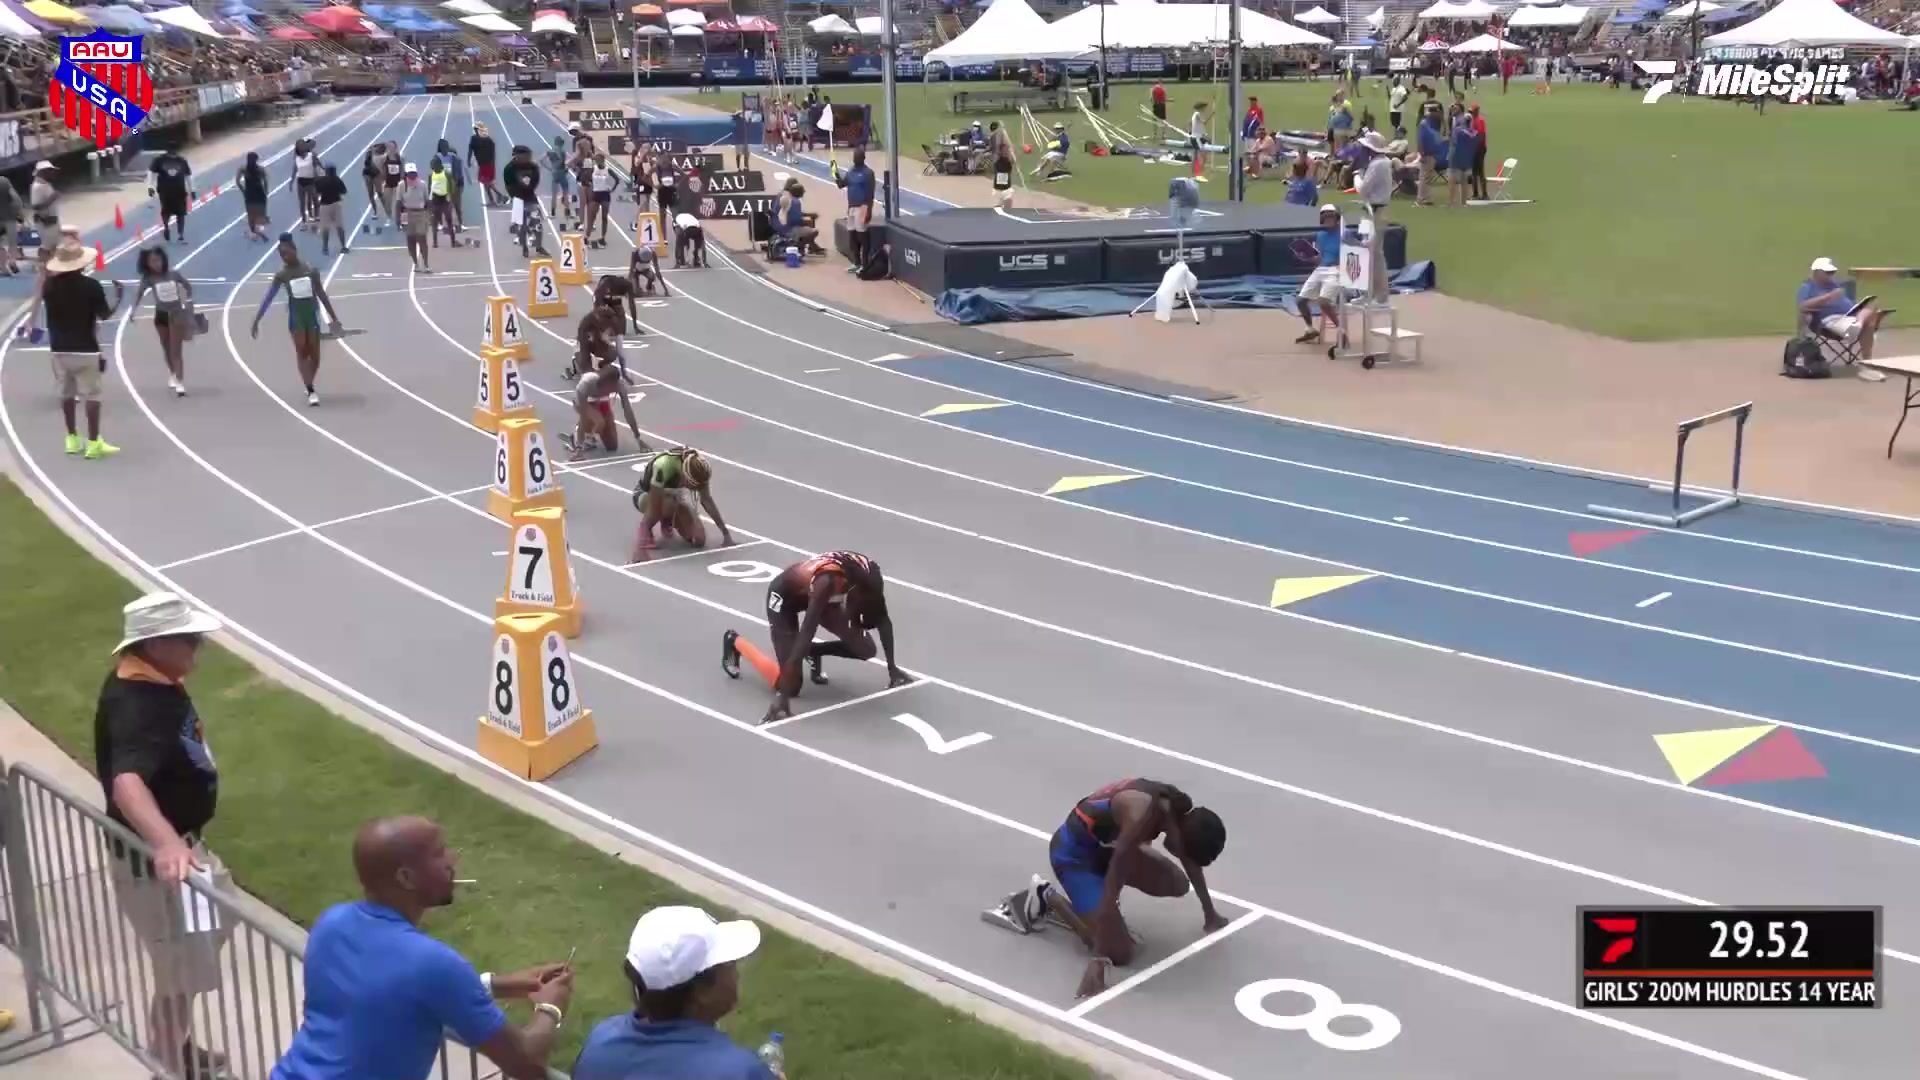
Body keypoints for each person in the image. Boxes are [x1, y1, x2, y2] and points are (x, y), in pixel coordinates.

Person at [269, 817, 574, 1080]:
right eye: (439, 854)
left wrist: (497, 985)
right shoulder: (433, 964)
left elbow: (384, 991)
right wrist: (550, 1007)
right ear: (406, 877)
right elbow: (526, 1064)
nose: (453, 861)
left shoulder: (331, 923)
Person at [96, 592, 231, 1079]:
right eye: (190, 639)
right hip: (160, 867)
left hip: (186, 851)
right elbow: (127, 783)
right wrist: (167, 843)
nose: (200, 647)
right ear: (155, 643)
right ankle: (168, 1066)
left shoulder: (149, 678)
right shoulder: (139, 703)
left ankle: (176, 1046)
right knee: (179, 975)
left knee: (194, 957)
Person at [987, 779, 1227, 1000]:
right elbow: (1116, 872)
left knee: (1177, 883)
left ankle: (1098, 913)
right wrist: (1099, 958)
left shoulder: (1175, 808)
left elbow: (1189, 863)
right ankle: (1046, 897)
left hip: (1107, 852)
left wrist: (1210, 914)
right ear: (1181, 835)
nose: (1185, 859)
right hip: (1074, 858)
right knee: (1121, 954)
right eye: (1185, 852)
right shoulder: (1141, 813)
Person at [570, 907, 776, 1080]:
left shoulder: (601, 1040)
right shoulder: (741, 1071)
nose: (736, 972)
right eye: (729, 964)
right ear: (702, 991)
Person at [720, 550, 911, 725]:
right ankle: (735, 641)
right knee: (791, 685)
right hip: (786, 598)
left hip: (825, 597)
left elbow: (883, 620)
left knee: (865, 649)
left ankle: (814, 653)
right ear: (851, 590)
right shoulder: (826, 583)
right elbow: (807, 631)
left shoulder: (871, 576)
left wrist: (892, 668)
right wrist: (783, 695)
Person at [42, 228, 123, 458]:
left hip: (58, 347)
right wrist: (118, 297)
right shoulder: (91, 286)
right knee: (92, 396)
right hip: (85, 348)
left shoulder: (49, 287)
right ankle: (94, 442)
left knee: (66, 394)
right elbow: (104, 315)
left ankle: (71, 438)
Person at [251, 234, 345, 407]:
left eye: (287, 253)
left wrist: (334, 317)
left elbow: (321, 294)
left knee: (315, 356)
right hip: (297, 320)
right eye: (281, 255)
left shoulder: (310, 270)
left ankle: (308, 381)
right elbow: (269, 297)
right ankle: (310, 389)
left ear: (295, 250)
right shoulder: (282, 275)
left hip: (312, 317)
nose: (284, 257)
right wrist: (257, 319)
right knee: (302, 352)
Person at [630, 446, 734, 560]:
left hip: (674, 497)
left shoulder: (699, 467)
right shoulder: (663, 466)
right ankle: (655, 526)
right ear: (686, 477)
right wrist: (640, 549)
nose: (696, 489)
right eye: (694, 486)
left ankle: (669, 518)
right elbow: (654, 508)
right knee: (668, 504)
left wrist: (726, 534)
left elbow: (707, 500)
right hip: (645, 494)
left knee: (698, 539)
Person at [1800, 257, 1891, 378]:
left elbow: (1850, 282)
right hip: (1831, 321)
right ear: (1817, 272)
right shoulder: (1808, 286)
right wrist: (1828, 297)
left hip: (1851, 316)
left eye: (1832, 272)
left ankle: (1859, 327)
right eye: (1827, 272)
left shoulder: (1834, 284)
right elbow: (1803, 306)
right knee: (1868, 322)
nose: (1831, 275)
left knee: (1867, 313)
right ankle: (1866, 364)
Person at [132, 246, 193, 397]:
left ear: (163, 260)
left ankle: (180, 381)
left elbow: (188, 286)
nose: (156, 264)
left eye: (158, 260)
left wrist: (188, 302)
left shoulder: (174, 274)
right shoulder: (149, 279)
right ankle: (172, 373)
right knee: (166, 348)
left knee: (176, 350)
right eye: (152, 261)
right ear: (147, 264)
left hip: (176, 315)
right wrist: (133, 311)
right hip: (160, 316)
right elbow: (139, 294)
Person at [1294, 204, 1343, 345]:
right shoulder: (1320, 235)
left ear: (1337, 218)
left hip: (1337, 270)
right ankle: (1310, 330)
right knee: (1300, 301)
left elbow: (1353, 255)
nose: (1328, 220)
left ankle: (1342, 332)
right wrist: (1305, 257)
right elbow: (1319, 258)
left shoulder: (1344, 234)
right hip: (1321, 269)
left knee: (1323, 302)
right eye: (1326, 218)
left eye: (1331, 217)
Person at [503, 145, 549, 258]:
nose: (529, 157)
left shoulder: (533, 167)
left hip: (530, 198)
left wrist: (529, 190)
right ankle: (524, 247)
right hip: (518, 199)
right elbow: (508, 185)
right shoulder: (509, 169)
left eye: (529, 155)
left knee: (537, 224)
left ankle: (539, 246)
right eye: (526, 155)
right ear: (517, 156)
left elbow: (535, 182)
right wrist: (515, 197)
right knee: (522, 226)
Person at [837, 149, 874, 273]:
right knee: (852, 236)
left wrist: (869, 210)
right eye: (854, 156)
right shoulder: (851, 171)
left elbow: (870, 194)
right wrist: (835, 174)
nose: (854, 158)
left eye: (857, 156)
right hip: (851, 207)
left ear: (863, 158)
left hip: (862, 207)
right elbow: (842, 184)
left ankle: (865, 264)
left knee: (862, 236)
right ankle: (856, 263)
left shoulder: (868, 173)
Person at [148, 147, 194, 244]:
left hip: (175, 191)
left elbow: (188, 175)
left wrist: (192, 190)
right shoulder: (161, 160)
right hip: (169, 191)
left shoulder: (180, 160)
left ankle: (175, 231)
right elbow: (151, 173)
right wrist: (150, 187)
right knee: (173, 213)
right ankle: (171, 230)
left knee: (175, 213)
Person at [397, 162, 432, 274]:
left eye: (414, 173)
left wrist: (429, 215)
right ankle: (416, 263)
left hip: (420, 213)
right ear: (406, 174)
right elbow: (398, 202)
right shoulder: (401, 186)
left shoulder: (422, 184)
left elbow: (427, 201)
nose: (412, 176)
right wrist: (398, 218)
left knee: (422, 237)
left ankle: (426, 264)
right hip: (407, 214)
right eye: (410, 174)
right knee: (410, 239)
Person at [315, 162, 350, 256]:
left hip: (324, 205)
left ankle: (325, 248)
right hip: (336, 204)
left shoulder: (321, 180)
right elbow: (344, 191)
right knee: (340, 227)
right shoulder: (337, 179)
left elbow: (317, 192)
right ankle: (343, 246)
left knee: (325, 228)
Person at [237, 151, 272, 243]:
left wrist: (243, 191)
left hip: (249, 194)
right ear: (256, 160)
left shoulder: (243, 169)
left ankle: (255, 231)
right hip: (259, 193)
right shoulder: (260, 169)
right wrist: (266, 191)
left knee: (251, 216)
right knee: (260, 214)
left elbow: (237, 181)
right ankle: (259, 229)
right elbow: (265, 181)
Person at [586, 151, 618, 248]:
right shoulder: (593, 169)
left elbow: (617, 180)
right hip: (595, 194)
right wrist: (590, 185)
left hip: (605, 195)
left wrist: (612, 189)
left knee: (604, 217)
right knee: (592, 216)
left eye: (598, 160)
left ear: (603, 160)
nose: (597, 162)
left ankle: (603, 237)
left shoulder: (608, 170)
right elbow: (584, 178)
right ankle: (586, 236)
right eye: (596, 160)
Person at [469, 121, 504, 207]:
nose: (474, 130)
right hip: (486, 164)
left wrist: (471, 159)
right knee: (485, 182)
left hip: (486, 164)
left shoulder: (484, 140)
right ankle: (492, 200)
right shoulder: (487, 139)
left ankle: (499, 195)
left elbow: (474, 150)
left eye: (475, 129)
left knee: (485, 181)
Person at [545, 134, 575, 227]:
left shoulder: (550, 152)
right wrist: (568, 167)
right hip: (562, 173)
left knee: (554, 194)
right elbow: (570, 160)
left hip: (554, 173)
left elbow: (541, 160)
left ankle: (553, 213)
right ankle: (568, 211)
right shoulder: (563, 151)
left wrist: (549, 168)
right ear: (561, 143)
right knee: (565, 193)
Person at [427, 156, 458, 248]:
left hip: (445, 199)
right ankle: (435, 242)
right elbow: (430, 188)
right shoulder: (431, 175)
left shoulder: (446, 174)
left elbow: (452, 185)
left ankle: (452, 241)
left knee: (449, 220)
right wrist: (429, 201)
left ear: (439, 165)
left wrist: (450, 196)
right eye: (432, 166)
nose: (433, 168)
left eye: (434, 166)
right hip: (435, 200)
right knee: (434, 222)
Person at [292, 137, 320, 230]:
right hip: (301, 182)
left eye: (302, 145)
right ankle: (304, 222)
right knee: (302, 204)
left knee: (315, 200)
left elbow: (316, 166)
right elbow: (295, 170)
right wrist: (291, 182)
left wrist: (318, 177)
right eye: (299, 146)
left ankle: (316, 217)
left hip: (311, 181)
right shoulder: (296, 158)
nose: (301, 147)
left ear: (305, 146)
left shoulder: (311, 155)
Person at [361, 144, 388, 232]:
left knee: (380, 193)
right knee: (370, 194)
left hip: (376, 174)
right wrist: (372, 148)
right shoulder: (369, 153)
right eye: (374, 148)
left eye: (377, 148)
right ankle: (375, 212)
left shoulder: (382, 157)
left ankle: (387, 211)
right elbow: (366, 160)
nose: (374, 149)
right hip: (367, 174)